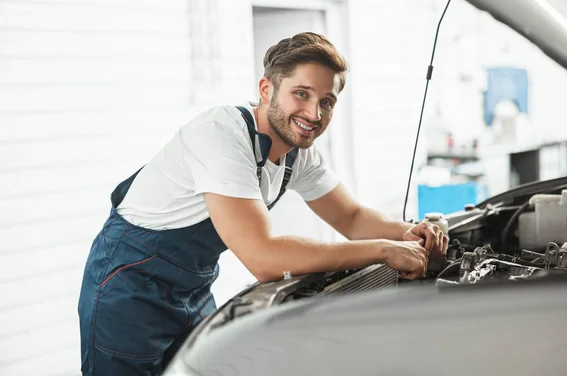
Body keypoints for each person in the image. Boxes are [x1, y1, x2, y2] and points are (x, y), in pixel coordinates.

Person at [77, 32, 448, 376]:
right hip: (128, 288)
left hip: (191, 289)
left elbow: (350, 216)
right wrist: (384, 250)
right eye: (301, 94)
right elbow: (264, 257)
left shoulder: (297, 153)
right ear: (266, 89)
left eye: (327, 102)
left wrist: (409, 232)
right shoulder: (221, 134)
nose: (314, 115)